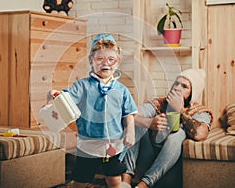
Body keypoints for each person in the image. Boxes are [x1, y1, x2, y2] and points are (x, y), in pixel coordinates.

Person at [51, 33, 137, 188]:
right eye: (100, 59)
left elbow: (128, 113)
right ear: (91, 61)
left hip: (114, 145)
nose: (106, 64)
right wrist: (56, 94)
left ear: (117, 63)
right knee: (80, 180)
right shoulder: (82, 86)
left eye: (111, 60)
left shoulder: (122, 90)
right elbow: (67, 97)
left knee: (114, 179)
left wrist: (130, 131)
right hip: (88, 146)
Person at [122, 68, 213, 188]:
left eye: (184, 86)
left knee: (179, 133)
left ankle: (144, 185)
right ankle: (126, 181)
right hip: (146, 157)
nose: (177, 88)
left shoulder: (198, 112)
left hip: (169, 166)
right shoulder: (159, 103)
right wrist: (149, 122)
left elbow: (200, 134)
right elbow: (127, 117)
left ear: (192, 93)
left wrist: (180, 111)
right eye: (176, 83)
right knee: (136, 123)